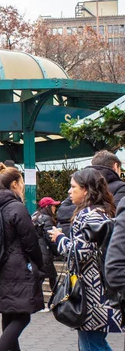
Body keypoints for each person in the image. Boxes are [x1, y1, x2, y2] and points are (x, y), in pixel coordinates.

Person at [49, 169, 121, 350]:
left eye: (73, 187)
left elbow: (79, 253)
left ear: (86, 190)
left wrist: (59, 239)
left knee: (92, 344)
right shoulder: (102, 211)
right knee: (91, 342)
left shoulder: (88, 215)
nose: (69, 191)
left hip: (90, 293)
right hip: (98, 291)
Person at [0, 162, 44, 351]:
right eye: (22, 182)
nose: (24, 186)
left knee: (8, 315)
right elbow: (30, 241)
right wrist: (39, 264)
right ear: (14, 185)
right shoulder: (17, 208)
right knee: (22, 316)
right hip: (18, 269)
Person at [57, 150, 125, 237]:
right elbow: (118, 218)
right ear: (116, 167)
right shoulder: (121, 188)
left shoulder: (80, 183)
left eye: (73, 187)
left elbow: (62, 212)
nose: (70, 191)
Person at [31, 197, 61, 305]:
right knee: (49, 277)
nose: (55, 208)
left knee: (47, 276)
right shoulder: (47, 219)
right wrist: (58, 251)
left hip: (37, 252)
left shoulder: (35, 216)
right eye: (53, 206)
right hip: (45, 252)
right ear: (48, 207)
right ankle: (52, 301)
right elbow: (50, 238)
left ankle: (51, 301)